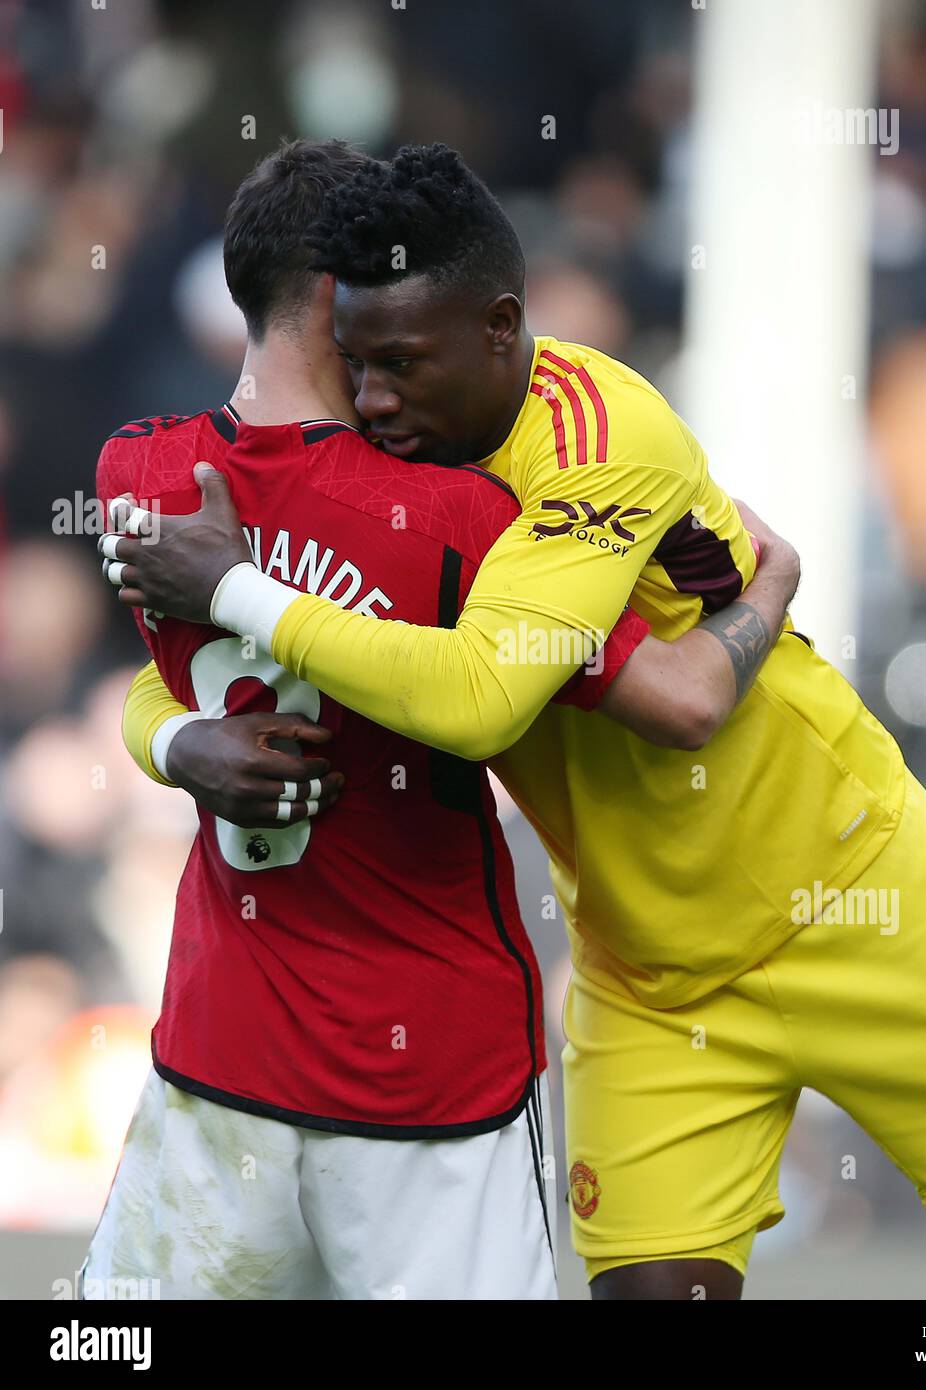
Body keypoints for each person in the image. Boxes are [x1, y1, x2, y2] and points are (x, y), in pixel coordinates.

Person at [106, 143, 926, 1301]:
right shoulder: (395, 474)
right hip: (650, 970)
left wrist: (236, 586)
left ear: (500, 327)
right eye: (361, 364)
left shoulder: (594, 435)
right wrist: (176, 744)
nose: (375, 401)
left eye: (404, 365)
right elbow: (195, 667)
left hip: (850, 895)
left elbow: (485, 698)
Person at [88, 140, 799, 1301]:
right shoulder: (464, 518)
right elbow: (679, 698)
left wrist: (172, 743)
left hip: (223, 1052)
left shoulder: (141, 481)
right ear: (343, 295)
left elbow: (171, 679)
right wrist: (766, 588)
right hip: (429, 1075)